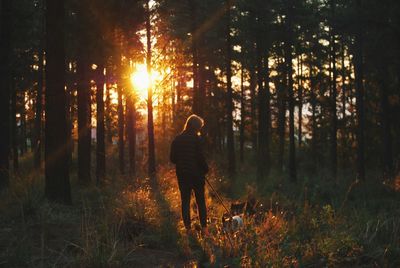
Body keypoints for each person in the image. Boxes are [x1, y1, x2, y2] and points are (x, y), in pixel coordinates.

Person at [170, 114, 209, 236]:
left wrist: (182, 163)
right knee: (200, 201)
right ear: (195, 127)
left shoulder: (177, 139)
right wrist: (205, 169)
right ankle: (204, 228)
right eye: (199, 127)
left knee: (185, 201)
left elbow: (172, 158)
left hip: (183, 175)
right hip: (197, 175)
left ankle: (188, 229)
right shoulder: (196, 139)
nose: (199, 130)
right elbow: (200, 157)